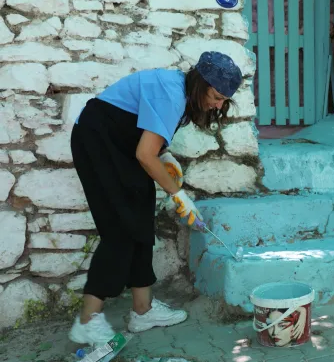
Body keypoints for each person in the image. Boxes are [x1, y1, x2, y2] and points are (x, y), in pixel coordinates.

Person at [68, 51, 243, 345]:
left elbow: (146, 136)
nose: (217, 104)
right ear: (200, 83)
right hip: (98, 142)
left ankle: (143, 310)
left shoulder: (184, 95)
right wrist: (179, 195)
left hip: (122, 147)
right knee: (120, 230)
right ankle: (87, 320)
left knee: (139, 221)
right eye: (215, 96)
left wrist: (165, 155)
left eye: (224, 100)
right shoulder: (172, 93)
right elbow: (143, 155)